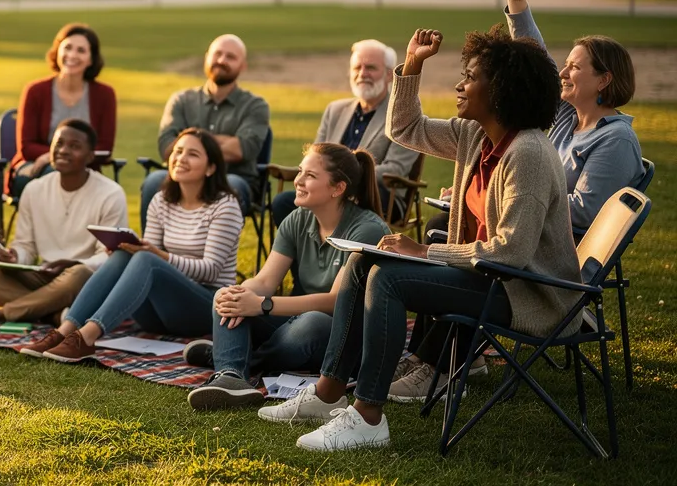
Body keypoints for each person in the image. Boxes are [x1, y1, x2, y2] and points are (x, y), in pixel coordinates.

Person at [257, 26, 580, 452]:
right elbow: (405, 128)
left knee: (387, 279)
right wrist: (411, 66)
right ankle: (327, 393)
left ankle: (368, 416)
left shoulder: (530, 154)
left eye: (472, 77)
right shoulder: (476, 136)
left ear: (502, 89)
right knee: (364, 263)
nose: (460, 85)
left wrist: (425, 251)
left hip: (528, 294)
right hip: (491, 278)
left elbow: (513, 252)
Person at [402, 0, 645, 390]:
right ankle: (444, 358)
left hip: (548, 261)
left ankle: (440, 364)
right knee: (442, 234)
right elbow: (530, 61)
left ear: (604, 80)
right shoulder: (561, 118)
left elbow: (582, 218)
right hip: (516, 235)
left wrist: (500, 195)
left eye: (576, 66)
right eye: (565, 66)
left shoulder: (614, 142)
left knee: (437, 247)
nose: (564, 72)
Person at [186, 144, 388, 410]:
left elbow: (336, 301)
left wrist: (262, 305)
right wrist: (242, 294)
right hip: (293, 322)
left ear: (337, 188)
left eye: (310, 176)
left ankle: (233, 357)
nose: (298, 181)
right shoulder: (298, 219)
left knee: (312, 323)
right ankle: (231, 376)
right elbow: (265, 282)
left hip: (345, 336)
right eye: (300, 172)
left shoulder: (367, 230)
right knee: (225, 298)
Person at [21, 128, 243, 362]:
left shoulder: (225, 207)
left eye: (193, 154)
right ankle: (64, 332)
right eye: (177, 151)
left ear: (211, 168)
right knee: (125, 255)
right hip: (156, 315)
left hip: (204, 307)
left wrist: (158, 255)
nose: (180, 159)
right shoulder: (162, 200)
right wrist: (128, 250)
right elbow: (148, 255)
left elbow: (211, 269)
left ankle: (87, 337)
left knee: (147, 258)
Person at [0, 119, 127, 324]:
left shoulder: (110, 194)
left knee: (79, 275)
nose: (63, 150)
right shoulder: (34, 189)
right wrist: (15, 256)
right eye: (59, 144)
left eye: (74, 146)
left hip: (82, 279)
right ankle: (53, 314)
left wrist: (73, 264)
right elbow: (26, 245)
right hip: (43, 275)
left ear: (90, 157)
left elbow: (109, 257)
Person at [269, 40, 419, 227]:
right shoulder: (335, 110)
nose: (362, 74)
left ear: (389, 74)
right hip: (326, 191)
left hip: (375, 195)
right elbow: (314, 157)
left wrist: (347, 178)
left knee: (344, 204)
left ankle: (341, 255)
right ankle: (303, 256)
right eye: (357, 68)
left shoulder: (403, 115)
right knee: (284, 202)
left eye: (371, 68)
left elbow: (395, 169)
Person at [140, 34, 270, 228]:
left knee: (231, 186)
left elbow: (244, 149)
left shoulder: (255, 106)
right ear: (206, 57)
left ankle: (212, 257)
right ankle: (150, 252)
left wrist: (187, 143)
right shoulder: (182, 100)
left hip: (233, 177)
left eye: (231, 57)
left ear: (243, 66)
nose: (221, 60)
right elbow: (167, 147)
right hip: (180, 175)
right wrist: (224, 143)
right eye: (217, 54)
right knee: (154, 181)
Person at [9, 23, 117, 196]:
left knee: (96, 186)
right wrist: (52, 157)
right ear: (57, 51)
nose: (72, 55)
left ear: (91, 58)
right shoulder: (35, 91)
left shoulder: (105, 95)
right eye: (67, 48)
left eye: (81, 50)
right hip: (35, 165)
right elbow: (26, 147)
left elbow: (104, 149)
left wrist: (64, 157)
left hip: (85, 169)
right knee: (57, 176)